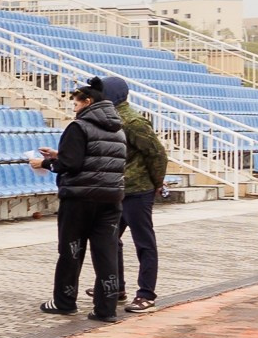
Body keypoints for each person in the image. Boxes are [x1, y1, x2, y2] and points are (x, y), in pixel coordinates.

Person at [31, 77, 127, 322]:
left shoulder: (79, 126)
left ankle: (64, 301)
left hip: (80, 199)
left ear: (88, 101)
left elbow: (71, 165)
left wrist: (45, 162)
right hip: (111, 198)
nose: (73, 106)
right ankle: (105, 309)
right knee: (106, 253)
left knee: (71, 251)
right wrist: (61, 154)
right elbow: (98, 157)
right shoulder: (117, 129)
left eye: (76, 102)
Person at [106, 76, 166, 313]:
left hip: (138, 191)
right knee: (109, 239)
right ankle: (116, 285)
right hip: (118, 189)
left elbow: (157, 154)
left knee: (144, 242)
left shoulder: (133, 122)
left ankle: (146, 294)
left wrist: (156, 183)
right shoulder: (110, 118)